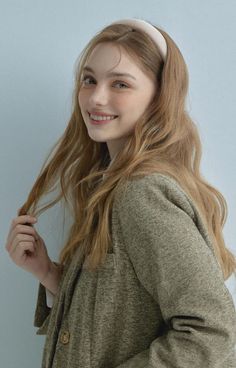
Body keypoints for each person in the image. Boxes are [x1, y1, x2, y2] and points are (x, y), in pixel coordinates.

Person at [5, 18, 236, 368]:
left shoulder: (142, 194)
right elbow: (114, 322)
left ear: (160, 96)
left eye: (121, 84)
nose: (96, 98)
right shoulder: (110, 186)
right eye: (89, 80)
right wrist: (50, 274)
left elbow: (214, 334)